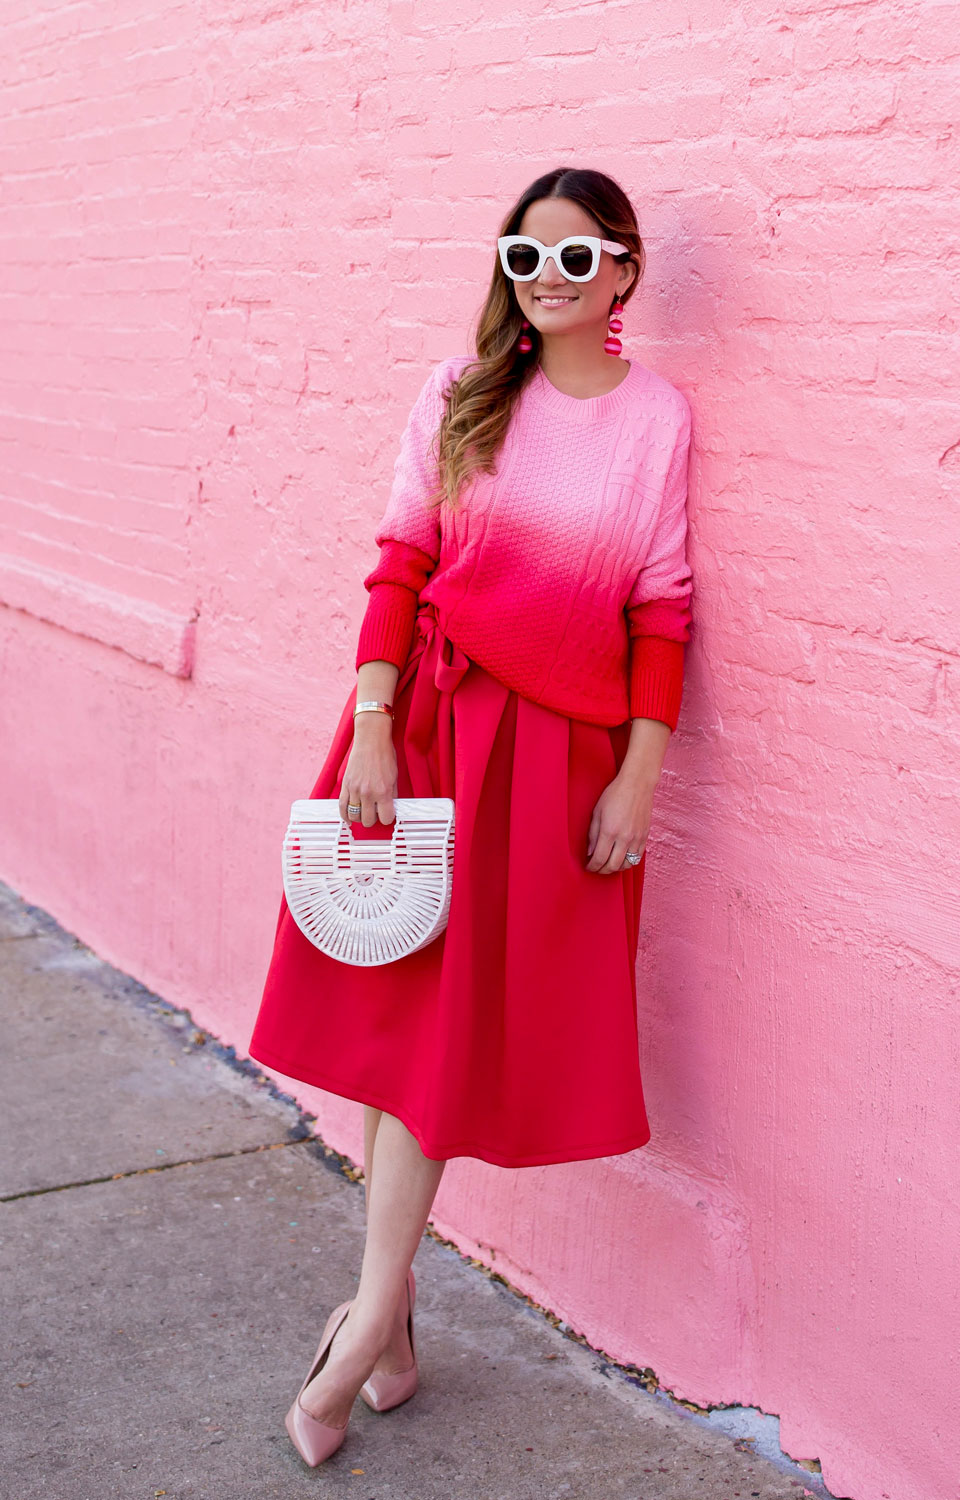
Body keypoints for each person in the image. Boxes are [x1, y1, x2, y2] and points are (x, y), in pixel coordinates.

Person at [247, 165, 694, 1468]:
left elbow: (663, 606)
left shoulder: (659, 417)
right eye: (525, 260)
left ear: (622, 270)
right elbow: (401, 562)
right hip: (430, 731)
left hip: (560, 763)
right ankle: (381, 1313)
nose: (548, 283)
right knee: (412, 1030)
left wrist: (640, 773)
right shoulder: (460, 394)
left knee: (442, 1042)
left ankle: (377, 1317)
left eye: (575, 260)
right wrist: (373, 723)